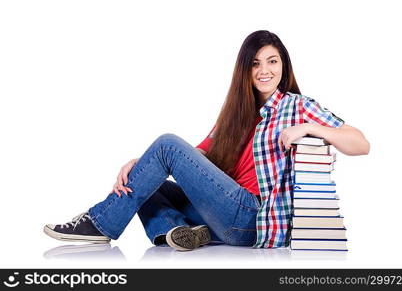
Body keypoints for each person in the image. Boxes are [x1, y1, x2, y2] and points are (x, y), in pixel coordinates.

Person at [44, 30, 370, 251]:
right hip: (222, 216)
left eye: (272, 61)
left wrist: (310, 129)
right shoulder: (235, 113)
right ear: (245, 70)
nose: (264, 70)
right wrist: (142, 165)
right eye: (255, 63)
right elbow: (196, 158)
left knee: (167, 143)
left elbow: (360, 142)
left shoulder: (298, 107)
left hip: (253, 217)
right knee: (149, 180)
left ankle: (100, 223)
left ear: (283, 66)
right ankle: (177, 231)